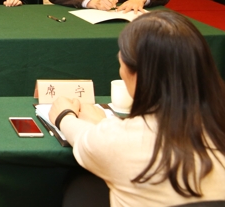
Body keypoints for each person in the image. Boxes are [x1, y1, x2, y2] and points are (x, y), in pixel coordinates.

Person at [48, 11, 225, 206]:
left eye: (121, 62)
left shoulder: (121, 140)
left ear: (139, 75)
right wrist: (104, 124)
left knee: (81, 185)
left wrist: (65, 115)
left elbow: (83, 140)